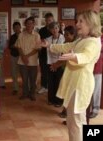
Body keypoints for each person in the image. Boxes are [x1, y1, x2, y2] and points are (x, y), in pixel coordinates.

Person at [41, 10, 101, 141]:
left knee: (75, 122)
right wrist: (50, 45)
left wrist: (75, 56)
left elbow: (87, 55)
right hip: (75, 84)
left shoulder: (93, 42)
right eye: (77, 21)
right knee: (76, 120)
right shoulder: (82, 39)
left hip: (81, 86)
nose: (77, 24)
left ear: (91, 24)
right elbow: (67, 46)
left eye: (81, 21)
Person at [15, 16, 41, 101]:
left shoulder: (37, 35)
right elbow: (19, 47)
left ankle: (32, 94)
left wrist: (27, 56)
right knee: (24, 80)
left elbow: (37, 49)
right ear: (25, 24)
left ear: (34, 24)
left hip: (33, 62)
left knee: (33, 80)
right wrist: (23, 56)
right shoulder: (21, 35)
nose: (29, 25)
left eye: (31, 23)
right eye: (27, 23)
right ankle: (25, 93)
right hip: (22, 62)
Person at [45, 22, 65, 106]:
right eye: (52, 28)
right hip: (50, 63)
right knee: (51, 82)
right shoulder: (48, 39)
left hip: (59, 63)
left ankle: (59, 101)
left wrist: (56, 64)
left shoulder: (63, 38)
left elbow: (61, 51)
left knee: (59, 83)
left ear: (59, 28)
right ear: (50, 30)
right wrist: (52, 64)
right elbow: (48, 52)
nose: (55, 30)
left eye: (56, 28)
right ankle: (51, 99)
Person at [38, 12, 54, 94]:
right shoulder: (42, 30)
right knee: (44, 72)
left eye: (50, 20)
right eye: (47, 20)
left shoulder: (56, 29)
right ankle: (44, 87)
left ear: (53, 20)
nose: (49, 22)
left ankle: (51, 87)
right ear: (45, 21)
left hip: (53, 55)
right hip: (43, 55)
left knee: (52, 72)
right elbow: (39, 41)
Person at [89, 27, 103, 118]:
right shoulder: (90, 37)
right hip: (88, 67)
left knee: (96, 89)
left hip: (98, 67)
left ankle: (95, 109)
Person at [8, 21, 21, 95]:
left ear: (20, 27)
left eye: (18, 27)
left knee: (24, 73)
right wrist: (15, 46)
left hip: (22, 56)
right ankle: (15, 88)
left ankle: (26, 87)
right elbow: (10, 46)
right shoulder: (12, 37)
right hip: (14, 56)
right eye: (15, 28)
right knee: (14, 73)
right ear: (13, 29)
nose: (16, 29)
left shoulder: (24, 35)